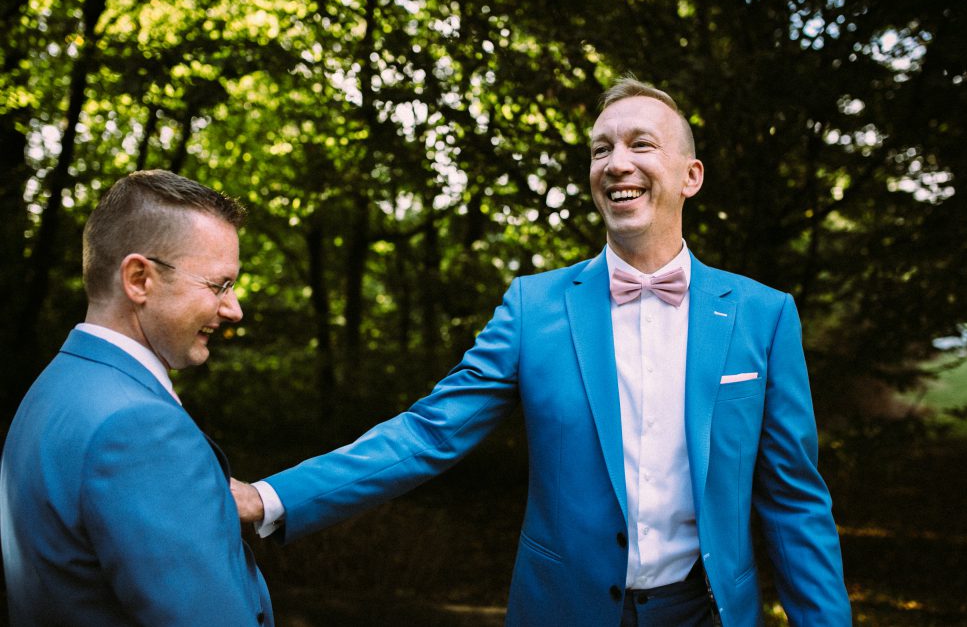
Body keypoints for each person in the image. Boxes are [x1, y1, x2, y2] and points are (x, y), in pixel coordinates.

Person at [232, 78, 851, 626]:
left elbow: (795, 501)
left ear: (691, 176)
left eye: (641, 144)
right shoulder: (535, 308)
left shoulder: (763, 316)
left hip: (708, 612)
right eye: (601, 149)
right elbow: (428, 433)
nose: (616, 162)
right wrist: (271, 497)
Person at [0, 170, 273, 626]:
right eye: (219, 285)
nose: (234, 308)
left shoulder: (54, 387)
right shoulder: (139, 428)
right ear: (139, 279)